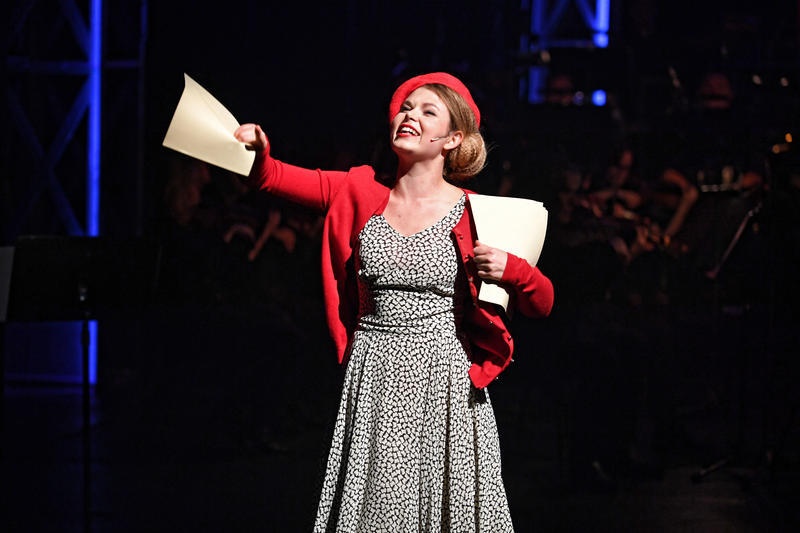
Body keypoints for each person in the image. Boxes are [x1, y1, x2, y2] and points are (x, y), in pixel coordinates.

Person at [234, 72, 554, 532]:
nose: (410, 115)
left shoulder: (479, 212)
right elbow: (271, 177)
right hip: (374, 374)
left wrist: (513, 269)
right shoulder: (359, 190)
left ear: (452, 139)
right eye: (406, 107)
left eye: (428, 111)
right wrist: (258, 149)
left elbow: (542, 302)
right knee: (381, 510)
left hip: (444, 382)